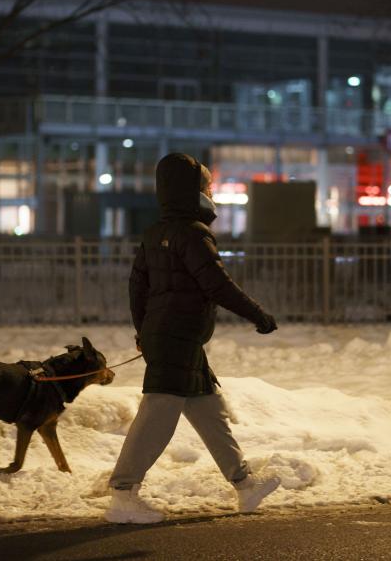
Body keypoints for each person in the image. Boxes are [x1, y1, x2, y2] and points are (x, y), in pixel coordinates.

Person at [105, 153, 280, 524]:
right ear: (191, 191)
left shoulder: (155, 234)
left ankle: (245, 485)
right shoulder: (193, 234)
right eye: (207, 185)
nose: (211, 191)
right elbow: (217, 284)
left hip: (172, 337)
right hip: (178, 337)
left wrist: (144, 331)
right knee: (158, 414)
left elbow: (137, 288)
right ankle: (123, 494)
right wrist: (258, 315)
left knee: (209, 409)